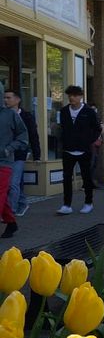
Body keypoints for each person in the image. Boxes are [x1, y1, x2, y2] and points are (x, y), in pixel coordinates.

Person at [57, 86, 102, 215]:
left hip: (84, 150)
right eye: (70, 95)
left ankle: (88, 203)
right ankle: (66, 205)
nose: (72, 98)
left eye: (75, 95)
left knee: (86, 178)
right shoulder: (64, 111)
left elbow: (97, 128)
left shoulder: (88, 111)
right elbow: (62, 128)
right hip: (68, 150)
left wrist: (88, 141)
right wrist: (63, 141)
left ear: (81, 97)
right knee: (66, 178)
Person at [3, 89, 40, 217]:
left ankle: (11, 211)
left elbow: (33, 135)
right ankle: (22, 202)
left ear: (17, 100)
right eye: (4, 98)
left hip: (19, 153)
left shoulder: (26, 116)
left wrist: (37, 154)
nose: (5, 100)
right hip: (4, 155)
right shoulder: (4, 114)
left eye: (8, 97)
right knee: (13, 182)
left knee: (13, 183)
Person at [0, 82, 28, 237]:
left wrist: (8, 149)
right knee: (2, 198)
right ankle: (11, 223)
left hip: (3, 162)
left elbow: (23, 136)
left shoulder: (10, 115)